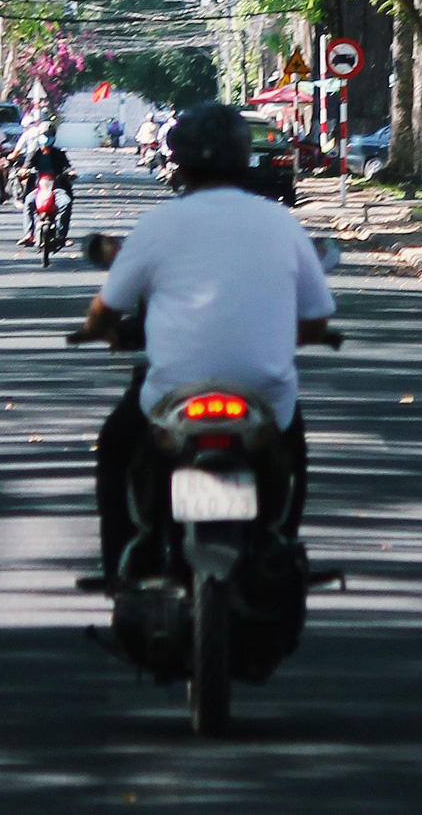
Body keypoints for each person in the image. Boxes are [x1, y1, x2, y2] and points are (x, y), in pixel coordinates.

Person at [69, 100, 337, 579]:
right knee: (293, 449)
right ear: (243, 158)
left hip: (172, 394)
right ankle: (281, 538)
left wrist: (93, 330)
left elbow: (107, 307)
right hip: (264, 395)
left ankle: (119, 567)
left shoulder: (158, 225)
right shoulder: (281, 223)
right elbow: (316, 320)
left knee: (115, 446)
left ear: (180, 162)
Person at [19, 119, 76, 247]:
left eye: (48, 135)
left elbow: (67, 167)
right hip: (38, 189)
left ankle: (61, 235)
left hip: (56, 189)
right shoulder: (34, 154)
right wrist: (23, 171)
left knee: (66, 202)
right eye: (43, 135)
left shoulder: (59, 154)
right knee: (28, 201)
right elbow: (26, 166)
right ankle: (28, 234)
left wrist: (70, 172)